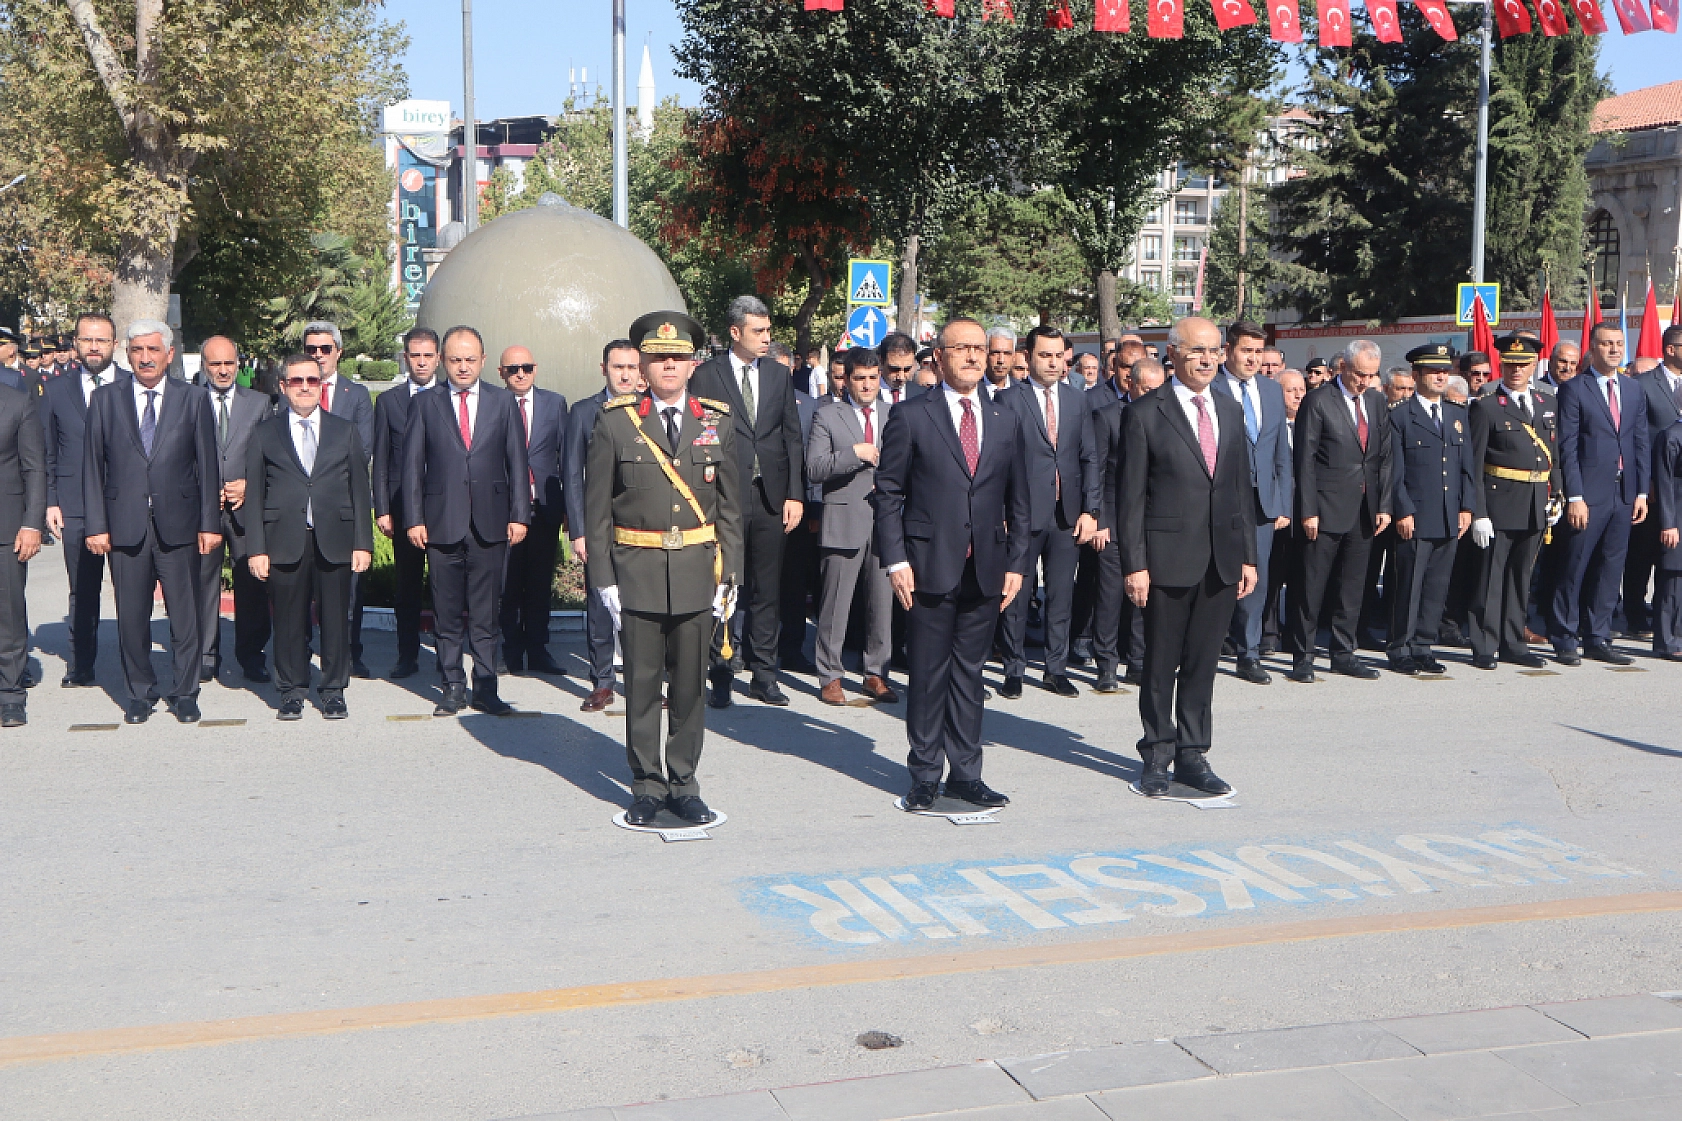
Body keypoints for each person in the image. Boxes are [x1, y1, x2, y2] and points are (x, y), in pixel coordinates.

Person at [584, 311, 741, 827]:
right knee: (644, 687)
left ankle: (685, 783)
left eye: (677, 357)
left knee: (691, 686)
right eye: (657, 357)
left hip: (699, 573)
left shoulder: (716, 421)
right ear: (643, 367)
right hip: (638, 574)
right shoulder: (616, 422)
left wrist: (731, 577)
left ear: (693, 364)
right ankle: (647, 784)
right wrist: (604, 579)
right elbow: (598, 511)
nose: (668, 364)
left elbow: (730, 509)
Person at [873, 317, 1029, 812]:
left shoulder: (1006, 416)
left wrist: (1017, 563)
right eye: (960, 348)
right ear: (938, 357)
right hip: (927, 565)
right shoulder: (913, 416)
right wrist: (895, 559)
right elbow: (888, 493)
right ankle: (924, 774)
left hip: (986, 566)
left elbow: (1019, 499)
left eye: (979, 349)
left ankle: (966, 773)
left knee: (970, 674)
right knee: (927, 672)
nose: (971, 356)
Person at [1117, 317, 1258, 797]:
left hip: (1221, 557)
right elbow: (1130, 498)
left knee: (1203, 662)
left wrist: (1248, 557)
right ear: (1172, 356)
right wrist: (1134, 564)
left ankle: (1194, 753)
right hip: (1166, 559)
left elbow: (1240, 488)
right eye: (1198, 350)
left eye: (1215, 351)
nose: (1208, 359)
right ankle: (1157, 752)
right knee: (1161, 662)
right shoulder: (1145, 413)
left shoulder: (1229, 408)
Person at [83, 320, 221, 724]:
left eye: (153, 350)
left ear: (169, 354)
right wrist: (96, 524)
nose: (145, 357)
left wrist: (209, 523)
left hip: (178, 525)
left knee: (185, 616)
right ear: (128, 354)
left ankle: (185, 693)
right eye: (137, 350)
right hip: (124, 526)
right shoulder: (106, 400)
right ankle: (140, 693)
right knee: (131, 617)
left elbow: (208, 467)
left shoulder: (193, 399)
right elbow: (93, 466)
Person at [401, 325, 531, 716]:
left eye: (469, 360)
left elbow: (517, 463)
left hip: (491, 523)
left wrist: (520, 515)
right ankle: (452, 684)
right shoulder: (426, 404)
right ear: (442, 360)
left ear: (484, 362)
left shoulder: (502, 402)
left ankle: (486, 687)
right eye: (455, 359)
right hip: (441, 524)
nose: (462, 367)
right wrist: (413, 519)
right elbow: (411, 468)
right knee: (446, 612)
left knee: (486, 613)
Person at [689, 296, 804, 708]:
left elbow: (792, 436)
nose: (766, 338)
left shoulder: (777, 374)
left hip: (771, 496)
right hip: (725, 498)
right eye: (758, 331)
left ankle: (764, 674)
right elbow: (699, 437)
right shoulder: (706, 376)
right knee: (725, 586)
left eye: (768, 330)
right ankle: (720, 671)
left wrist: (795, 494)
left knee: (767, 590)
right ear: (735, 333)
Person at [244, 354, 372, 719]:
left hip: (335, 539)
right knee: (287, 622)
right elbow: (255, 496)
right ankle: (291, 690)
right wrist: (257, 548)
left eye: (312, 381)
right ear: (283, 387)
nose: (304, 387)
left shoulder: (344, 429)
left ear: (321, 385)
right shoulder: (265, 432)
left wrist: (362, 542)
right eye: (296, 381)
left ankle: (333, 690)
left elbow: (360, 491)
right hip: (284, 539)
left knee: (336, 620)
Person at [994, 325, 1101, 698]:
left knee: (1061, 595)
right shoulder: (1008, 400)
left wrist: (1091, 510)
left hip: (1067, 514)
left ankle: (1056, 669)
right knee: (1017, 593)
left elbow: (1089, 457)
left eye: (1059, 356)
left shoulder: (1077, 400)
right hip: (1022, 514)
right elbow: (999, 463)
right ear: (1029, 355)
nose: (1053, 363)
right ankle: (1013, 667)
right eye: (1045, 355)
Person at [1286, 340, 1393, 683]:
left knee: (1353, 586)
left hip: (1364, 510)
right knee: (1311, 585)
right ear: (1343, 368)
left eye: (1371, 375)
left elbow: (1384, 458)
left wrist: (1385, 505)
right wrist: (1308, 509)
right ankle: (1302, 655)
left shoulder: (1376, 402)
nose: (1365, 381)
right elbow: (1303, 460)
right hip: (1324, 509)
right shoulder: (1318, 401)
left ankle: (1343, 652)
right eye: (1360, 374)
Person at [1549, 324, 1647, 666]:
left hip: (1624, 492)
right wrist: (1574, 495)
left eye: (1619, 344)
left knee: (1611, 566)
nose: (1615, 350)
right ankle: (1563, 635)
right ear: (1593, 348)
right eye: (1607, 344)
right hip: (1588, 493)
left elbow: (1639, 443)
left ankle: (1598, 636)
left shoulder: (1634, 390)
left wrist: (1642, 492)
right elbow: (1567, 447)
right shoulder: (1575, 389)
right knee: (1575, 564)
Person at [807, 347, 897, 704]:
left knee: (882, 604)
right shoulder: (828, 416)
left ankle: (876, 673)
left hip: (885, 520)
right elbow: (814, 468)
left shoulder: (894, 415)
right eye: (859, 378)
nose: (866, 385)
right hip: (843, 518)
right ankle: (830, 675)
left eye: (873, 378)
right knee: (835, 603)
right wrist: (853, 454)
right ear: (846, 379)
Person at [1465, 335, 1560, 670]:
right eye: (1510, 364)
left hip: (1536, 503)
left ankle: (1512, 642)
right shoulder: (1487, 406)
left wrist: (1557, 495)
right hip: (1498, 503)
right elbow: (1473, 464)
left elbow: (1554, 456)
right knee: (1490, 579)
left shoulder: (1547, 404)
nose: (1516, 370)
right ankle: (1484, 644)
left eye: (1523, 364)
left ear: (1534, 365)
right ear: (1501, 366)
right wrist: (1478, 512)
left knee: (1521, 578)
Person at [38, 314, 122, 687]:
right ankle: (81, 664)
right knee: (83, 589)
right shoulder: (57, 391)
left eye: (101, 340)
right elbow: (48, 452)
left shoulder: (132, 385)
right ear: (75, 343)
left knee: (131, 588)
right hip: (74, 504)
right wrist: (51, 500)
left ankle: (133, 665)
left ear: (114, 345)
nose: (93, 347)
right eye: (87, 340)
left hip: (125, 503)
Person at [1385, 344, 1476, 675]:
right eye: (1433, 371)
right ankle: (1400, 647)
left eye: (1445, 370)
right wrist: (1403, 510)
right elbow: (1393, 470)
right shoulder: (1399, 416)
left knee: (1437, 585)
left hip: (1449, 514)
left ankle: (1423, 645)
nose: (1441, 375)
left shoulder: (1456, 415)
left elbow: (1467, 467)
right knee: (1409, 584)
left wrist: (1468, 507)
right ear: (1416, 375)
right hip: (1415, 515)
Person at [1213, 321, 1293, 685]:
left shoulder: (1270, 391)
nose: (1253, 359)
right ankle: (1208, 646)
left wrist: (1283, 504)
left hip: (1262, 502)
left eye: (1258, 352)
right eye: (1246, 351)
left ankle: (1249, 652)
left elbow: (1280, 454)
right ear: (1228, 350)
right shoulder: (1209, 387)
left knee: (1255, 582)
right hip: (1218, 500)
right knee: (1213, 575)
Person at [565, 339, 643, 712]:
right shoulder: (583, 412)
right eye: (618, 367)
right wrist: (578, 530)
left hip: (643, 527)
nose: (626, 374)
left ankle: (644, 682)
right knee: (599, 605)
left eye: (632, 367)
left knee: (644, 607)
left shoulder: (650, 409)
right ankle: (602, 682)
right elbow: (572, 476)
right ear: (604, 369)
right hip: (599, 527)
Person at [300, 321, 375, 677]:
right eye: (311, 349)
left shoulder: (355, 395)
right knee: (301, 591)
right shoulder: (290, 391)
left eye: (324, 349)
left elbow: (361, 451)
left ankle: (348, 654)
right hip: (300, 509)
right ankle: (300, 653)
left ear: (338, 352)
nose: (317, 355)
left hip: (342, 505)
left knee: (347, 593)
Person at [196, 336, 272, 683]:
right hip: (204, 512)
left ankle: (252, 655)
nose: (224, 370)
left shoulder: (258, 403)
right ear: (204, 366)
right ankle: (206, 655)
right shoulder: (189, 400)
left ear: (238, 363)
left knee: (252, 586)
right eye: (216, 364)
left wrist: (248, 484)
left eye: (229, 363)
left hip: (245, 509)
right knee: (203, 584)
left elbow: (270, 456)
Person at [1091, 357, 1166, 689]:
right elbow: (1096, 472)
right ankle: (1106, 663)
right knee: (1110, 596)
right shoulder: (1108, 417)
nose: (1152, 395)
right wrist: (1100, 519)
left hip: (1152, 521)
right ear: (1131, 384)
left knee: (1143, 594)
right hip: (1114, 518)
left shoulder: (1168, 418)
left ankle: (1137, 660)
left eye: (1158, 389)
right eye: (1147, 389)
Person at [496, 344, 569, 675]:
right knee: (507, 582)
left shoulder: (555, 404)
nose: (520, 373)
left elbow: (566, 457)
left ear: (535, 369)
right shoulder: (492, 404)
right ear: (501, 373)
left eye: (526, 367)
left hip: (544, 506)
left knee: (540, 582)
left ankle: (538, 650)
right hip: (504, 508)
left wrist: (569, 508)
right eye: (513, 368)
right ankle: (510, 652)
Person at [371, 328, 440, 679]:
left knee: (446, 587)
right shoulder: (389, 402)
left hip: (445, 508)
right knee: (408, 586)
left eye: (428, 355)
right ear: (406, 358)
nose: (422, 362)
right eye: (416, 355)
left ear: (438, 358)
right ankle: (407, 655)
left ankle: (447, 655)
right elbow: (381, 459)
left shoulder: (448, 398)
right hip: (402, 508)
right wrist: (382, 508)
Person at [1623, 324, 1682, 638]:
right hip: (1653, 486)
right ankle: (1634, 614)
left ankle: (1671, 618)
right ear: (1671, 349)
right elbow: (1635, 437)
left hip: (1680, 490)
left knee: (1675, 558)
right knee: (1642, 554)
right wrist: (1644, 486)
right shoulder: (1643, 384)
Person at [0, 373, 45, 726]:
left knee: (9, 614)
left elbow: (34, 469)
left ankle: (11, 695)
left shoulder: (17, 403)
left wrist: (32, 524)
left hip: (7, 527)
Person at [1261, 369, 1308, 655]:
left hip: (1305, 514)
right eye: (1291, 390)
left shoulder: (1309, 423)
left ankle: (1295, 633)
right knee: (1272, 577)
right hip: (1277, 513)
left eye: (1301, 389)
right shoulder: (1269, 425)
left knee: (1301, 577)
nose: (1299, 395)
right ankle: (1268, 633)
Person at [880, 333, 918, 406]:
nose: (901, 377)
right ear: (881, 361)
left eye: (907, 369)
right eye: (894, 369)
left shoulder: (922, 395)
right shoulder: (866, 393)